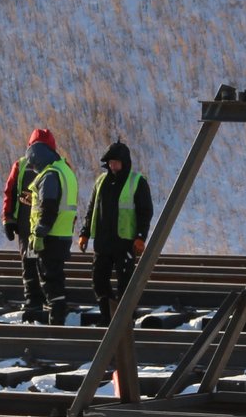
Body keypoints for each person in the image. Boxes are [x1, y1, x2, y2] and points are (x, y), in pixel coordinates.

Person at [76, 138, 153, 320]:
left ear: (124, 163)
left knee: (126, 286)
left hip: (125, 244)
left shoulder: (137, 182)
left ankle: (126, 320)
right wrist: (84, 233)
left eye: (116, 162)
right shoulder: (101, 181)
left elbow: (145, 212)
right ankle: (109, 317)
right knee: (99, 282)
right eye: (110, 162)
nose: (112, 166)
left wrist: (141, 237)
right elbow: (91, 208)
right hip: (103, 243)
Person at [22, 133, 77, 323]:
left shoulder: (50, 175)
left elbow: (50, 205)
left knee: (49, 279)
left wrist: (40, 231)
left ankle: (56, 318)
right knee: (56, 278)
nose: (32, 167)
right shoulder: (65, 170)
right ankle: (58, 314)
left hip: (51, 237)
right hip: (62, 234)